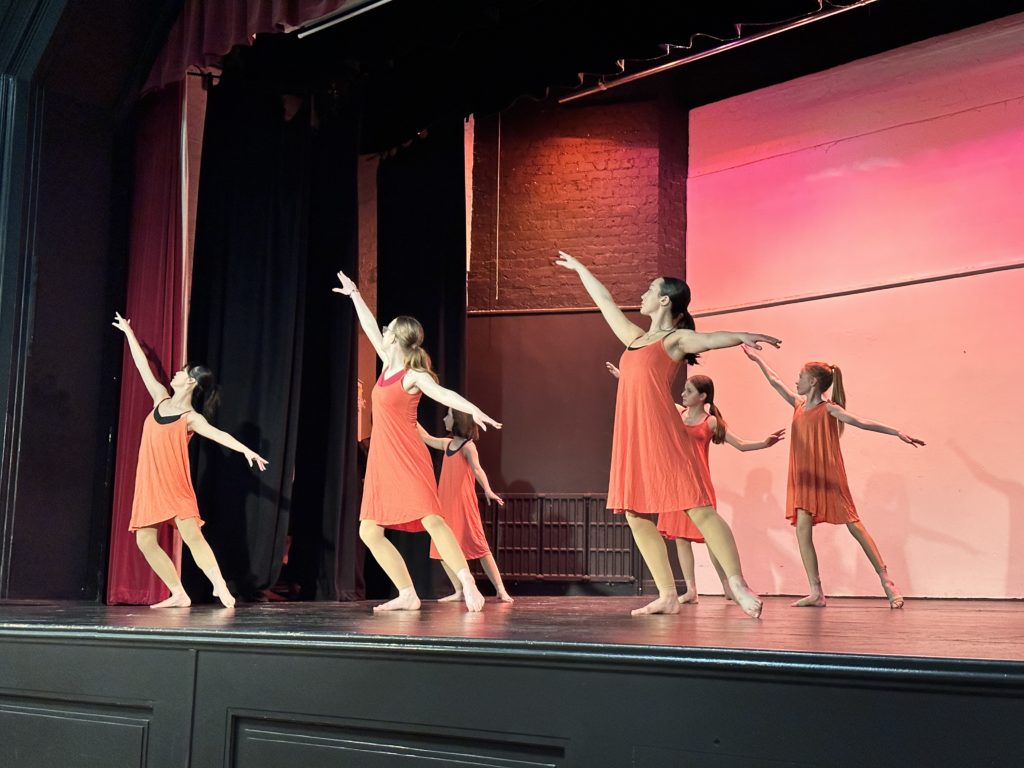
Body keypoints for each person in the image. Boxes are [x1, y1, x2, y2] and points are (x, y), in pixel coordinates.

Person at [555, 250, 779, 618]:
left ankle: (737, 582)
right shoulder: (634, 337)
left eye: (649, 289)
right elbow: (605, 301)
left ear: (664, 300)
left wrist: (742, 335)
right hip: (632, 435)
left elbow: (710, 339)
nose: (642, 295)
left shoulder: (674, 340)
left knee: (698, 508)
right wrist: (581, 269)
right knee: (634, 513)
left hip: (661, 432)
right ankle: (668, 595)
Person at [333, 270, 500, 612]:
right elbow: (369, 327)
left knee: (431, 518)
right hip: (382, 458)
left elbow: (444, 393)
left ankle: (468, 582)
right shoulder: (386, 366)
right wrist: (355, 296)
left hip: (408, 455)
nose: (384, 331)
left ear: (397, 338)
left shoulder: (413, 375)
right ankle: (407, 593)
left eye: (389, 329)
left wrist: (474, 409)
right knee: (369, 531)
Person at [743, 348, 924, 608]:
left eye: (800, 377)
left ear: (813, 381)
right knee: (802, 531)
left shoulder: (829, 409)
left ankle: (886, 581)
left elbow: (861, 422)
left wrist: (896, 432)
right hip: (804, 478)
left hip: (828, 476)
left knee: (854, 525)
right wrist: (757, 359)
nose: (796, 381)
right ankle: (816, 591)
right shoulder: (798, 404)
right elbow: (775, 381)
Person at [113, 312, 268, 608]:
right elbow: (142, 366)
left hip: (174, 484)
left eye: (182, 372)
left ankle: (220, 586)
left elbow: (219, 435)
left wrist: (246, 450)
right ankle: (178, 593)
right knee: (144, 540)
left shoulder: (191, 418)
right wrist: (129, 334)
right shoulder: (160, 397)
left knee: (192, 536)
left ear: (191, 382)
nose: (175, 374)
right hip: (149, 483)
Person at [606, 365, 784, 604]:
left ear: (702, 396)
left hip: (698, 482)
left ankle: (727, 585)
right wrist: (624, 378)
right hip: (676, 482)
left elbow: (740, 444)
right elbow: (650, 397)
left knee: (710, 535)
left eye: (688, 391)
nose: (683, 394)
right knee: (680, 536)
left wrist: (764, 443)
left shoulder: (710, 422)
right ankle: (691, 589)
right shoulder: (678, 412)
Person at [419, 408, 512, 603]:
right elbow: (426, 438)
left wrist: (488, 490)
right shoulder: (447, 443)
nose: (444, 418)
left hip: (463, 503)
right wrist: (408, 417)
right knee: (441, 547)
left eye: (449, 415)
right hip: (444, 503)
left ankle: (500, 589)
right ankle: (459, 590)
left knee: (480, 547)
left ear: (458, 420)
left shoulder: (468, 447)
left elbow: (478, 470)